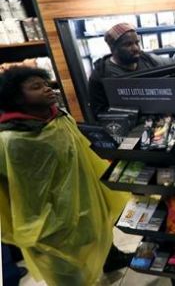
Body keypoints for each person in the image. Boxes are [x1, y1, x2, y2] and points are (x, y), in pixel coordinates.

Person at [0, 67, 130, 285]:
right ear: (16, 98)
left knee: (93, 246)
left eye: (45, 83)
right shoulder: (9, 139)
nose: (47, 89)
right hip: (44, 222)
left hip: (83, 204)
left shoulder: (61, 119)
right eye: (36, 87)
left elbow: (84, 156)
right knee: (66, 275)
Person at [88, 22, 171, 120]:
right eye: (128, 44)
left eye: (137, 42)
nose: (136, 48)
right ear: (112, 48)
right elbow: (100, 114)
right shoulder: (99, 76)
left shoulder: (149, 60)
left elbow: (174, 65)